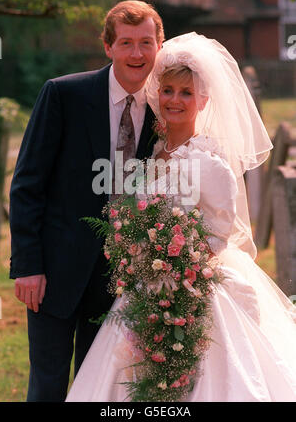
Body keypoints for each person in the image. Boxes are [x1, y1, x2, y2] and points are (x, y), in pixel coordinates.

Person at [65, 32, 296, 402]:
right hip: (144, 288)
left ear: (203, 100)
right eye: (168, 90)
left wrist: (178, 266)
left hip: (195, 288)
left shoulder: (210, 164)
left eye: (186, 93)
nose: (174, 100)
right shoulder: (151, 154)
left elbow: (220, 234)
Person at [9, 0, 164, 402]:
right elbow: (28, 184)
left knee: (101, 391)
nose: (136, 53)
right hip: (54, 274)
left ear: (159, 45)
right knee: (47, 387)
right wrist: (28, 266)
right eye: (126, 43)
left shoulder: (169, 109)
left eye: (146, 42)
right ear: (108, 46)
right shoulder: (63, 94)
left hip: (123, 280)